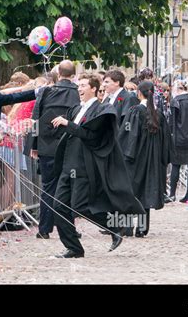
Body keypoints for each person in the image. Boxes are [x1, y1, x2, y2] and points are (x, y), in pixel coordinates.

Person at [51, 73, 145, 258]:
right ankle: (74, 248)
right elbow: (69, 132)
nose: (79, 89)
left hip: (83, 166)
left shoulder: (100, 109)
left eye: (84, 85)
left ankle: (115, 226)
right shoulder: (76, 109)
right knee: (59, 206)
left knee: (80, 206)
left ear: (94, 88)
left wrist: (68, 124)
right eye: (79, 85)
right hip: (68, 165)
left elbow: (91, 136)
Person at [31, 60, 80, 239]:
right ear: (73, 75)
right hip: (69, 146)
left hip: (48, 146)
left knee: (48, 187)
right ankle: (68, 228)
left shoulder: (46, 91)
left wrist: (34, 145)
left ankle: (44, 228)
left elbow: (35, 120)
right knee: (68, 187)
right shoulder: (77, 92)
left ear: (58, 73)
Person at [118, 81, 171, 237]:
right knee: (145, 193)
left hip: (135, 159)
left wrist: (123, 155)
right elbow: (166, 141)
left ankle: (127, 228)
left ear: (139, 93)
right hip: (153, 161)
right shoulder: (159, 114)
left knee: (131, 193)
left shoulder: (135, 111)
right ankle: (142, 228)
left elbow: (127, 136)